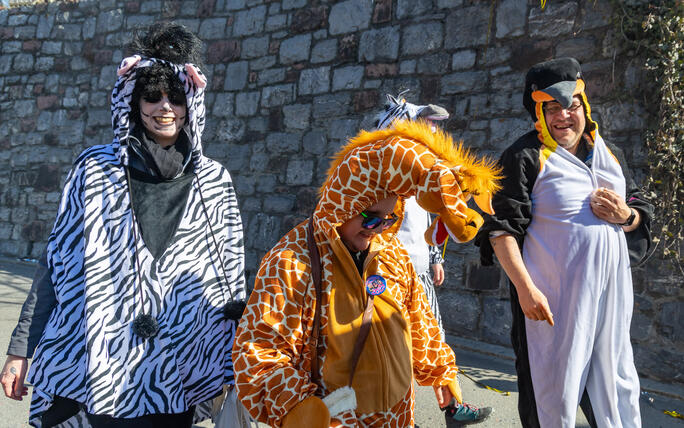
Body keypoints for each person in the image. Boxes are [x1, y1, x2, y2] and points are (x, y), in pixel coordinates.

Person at [0, 22, 246, 428]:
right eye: (152, 95)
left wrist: (230, 362)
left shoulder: (214, 181)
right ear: (133, 101)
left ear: (192, 103)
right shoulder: (95, 168)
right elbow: (55, 264)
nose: (164, 106)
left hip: (175, 372)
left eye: (176, 96)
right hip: (94, 363)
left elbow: (228, 283)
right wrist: (19, 350)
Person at [232, 116, 501, 427]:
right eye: (371, 217)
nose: (379, 229)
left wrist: (441, 373)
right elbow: (259, 350)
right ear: (346, 202)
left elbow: (418, 320)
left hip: (399, 418)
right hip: (336, 421)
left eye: (388, 219)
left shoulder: (393, 252)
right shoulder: (291, 262)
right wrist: (297, 407)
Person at [475, 57, 653, 428]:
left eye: (571, 106)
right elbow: (501, 229)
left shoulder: (608, 154)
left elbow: (639, 208)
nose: (563, 117)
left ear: (584, 107)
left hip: (610, 301)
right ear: (537, 113)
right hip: (551, 304)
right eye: (551, 108)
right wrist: (525, 289)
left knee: (618, 383)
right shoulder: (524, 157)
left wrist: (626, 216)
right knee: (552, 390)